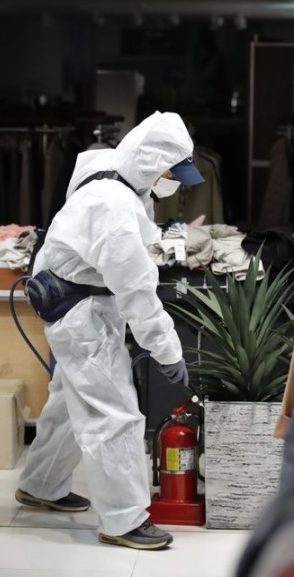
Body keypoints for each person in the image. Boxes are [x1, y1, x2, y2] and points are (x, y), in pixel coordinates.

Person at [15, 111, 204, 550]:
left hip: (75, 299)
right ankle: (123, 520)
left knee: (70, 400)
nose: (171, 182)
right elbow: (137, 291)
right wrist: (168, 351)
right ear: (151, 161)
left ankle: (39, 485)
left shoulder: (106, 170)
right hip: (81, 312)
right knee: (114, 413)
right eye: (169, 173)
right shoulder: (113, 206)